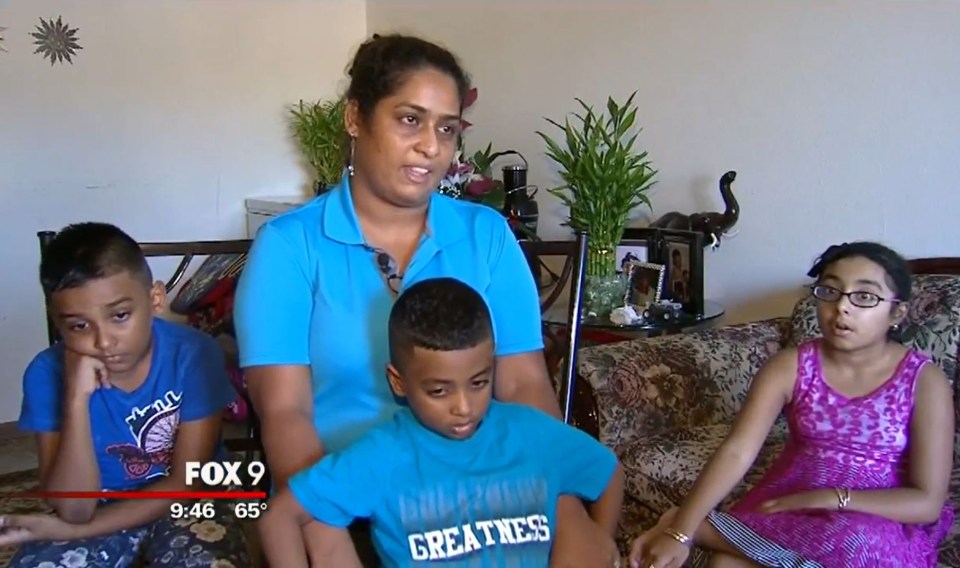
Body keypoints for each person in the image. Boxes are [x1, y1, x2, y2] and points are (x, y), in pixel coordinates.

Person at [233, 33, 617, 566]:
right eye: (409, 120)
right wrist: (324, 528)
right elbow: (285, 412)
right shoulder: (290, 247)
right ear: (355, 118)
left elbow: (525, 383)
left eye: (446, 128)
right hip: (352, 505)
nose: (431, 146)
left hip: (489, 503)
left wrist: (565, 508)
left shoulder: (487, 236)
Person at [258, 277, 625, 567]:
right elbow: (279, 519)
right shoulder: (382, 455)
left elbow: (609, 473)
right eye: (439, 391)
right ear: (398, 382)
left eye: (479, 383)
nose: (464, 407)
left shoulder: (532, 434)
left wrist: (600, 539)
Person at [629, 241, 955, 568]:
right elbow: (737, 451)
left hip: (877, 514)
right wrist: (679, 533)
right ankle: (700, 528)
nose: (843, 307)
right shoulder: (791, 366)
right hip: (795, 499)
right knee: (725, 565)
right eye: (830, 291)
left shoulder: (924, 382)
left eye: (865, 297)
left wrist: (833, 498)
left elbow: (926, 502)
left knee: (857, 544)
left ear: (896, 313)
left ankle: (710, 530)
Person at [0, 222, 250, 566]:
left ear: (155, 299)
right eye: (78, 325)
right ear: (58, 322)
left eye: (120, 315)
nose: (103, 342)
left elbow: (185, 483)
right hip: (97, 505)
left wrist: (72, 532)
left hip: (189, 498)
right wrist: (75, 398)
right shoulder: (46, 374)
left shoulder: (193, 354)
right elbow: (74, 509)